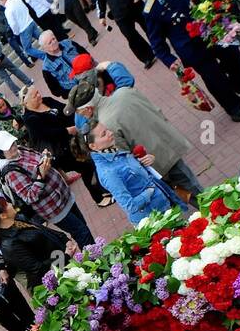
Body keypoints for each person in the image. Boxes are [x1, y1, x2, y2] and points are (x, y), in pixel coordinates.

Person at [141, 0, 240, 121]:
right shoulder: (151, 8)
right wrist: (169, 60)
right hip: (191, 48)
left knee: (233, 57)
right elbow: (156, 41)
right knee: (214, 77)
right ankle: (232, 106)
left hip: (214, 29)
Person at [66, 74, 203, 198]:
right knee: (194, 188)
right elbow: (156, 110)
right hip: (168, 145)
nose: (80, 115)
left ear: (88, 108)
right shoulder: (124, 92)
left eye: (80, 112)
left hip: (158, 166)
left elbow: (127, 156)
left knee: (194, 196)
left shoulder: (104, 125)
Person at [0, 130, 96, 247]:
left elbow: (38, 160)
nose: (13, 147)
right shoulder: (11, 173)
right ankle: (96, 260)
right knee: (82, 232)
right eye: (8, 147)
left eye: (12, 143)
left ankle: (95, 256)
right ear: (1, 153)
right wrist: (41, 175)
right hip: (53, 207)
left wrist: (45, 156)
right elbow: (29, 197)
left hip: (64, 195)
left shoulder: (20, 150)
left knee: (82, 227)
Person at [20, 83, 113, 207]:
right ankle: (98, 198)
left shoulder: (46, 100)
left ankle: (103, 189)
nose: (39, 95)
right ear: (26, 103)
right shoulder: (30, 118)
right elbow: (47, 134)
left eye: (37, 92)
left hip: (74, 141)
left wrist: (79, 118)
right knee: (86, 167)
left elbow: (65, 111)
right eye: (34, 95)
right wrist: (69, 130)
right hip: (60, 151)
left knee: (91, 163)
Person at [88, 121, 187, 222]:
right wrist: (149, 191)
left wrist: (147, 160)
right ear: (93, 146)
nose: (110, 133)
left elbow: (134, 174)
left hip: (163, 205)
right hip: (153, 220)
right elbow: (130, 206)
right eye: (104, 134)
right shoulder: (108, 173)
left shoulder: (113, 151)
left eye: (107, 129)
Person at [0, 196, 79, 286]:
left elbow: (44, 230)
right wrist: (65, 256)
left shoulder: (19, 219)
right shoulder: (9, 245)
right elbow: (38, 269)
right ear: (3, 216)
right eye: (6, 204)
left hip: (64, 261)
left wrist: (65, 240)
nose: (11, 204)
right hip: (58, 278)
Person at [92, 0, 158, 67]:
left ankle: (159, 46)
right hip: (119, 15)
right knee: (132, 38)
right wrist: (101, 16)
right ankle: (147, 57)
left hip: (136, 6)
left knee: (149, 27)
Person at [35, 29, 94, 96]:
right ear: (44, 48)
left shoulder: (68, 43)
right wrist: (69, 93)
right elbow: (55, 90)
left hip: (91, 74)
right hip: (77, 92)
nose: (53, 42)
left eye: (53, 39)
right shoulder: (47, 68)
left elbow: (85, 54)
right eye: (50, 42)